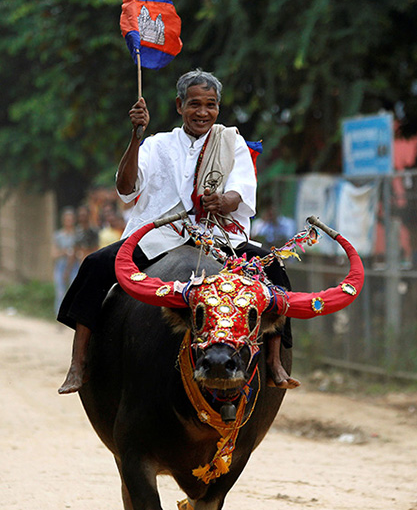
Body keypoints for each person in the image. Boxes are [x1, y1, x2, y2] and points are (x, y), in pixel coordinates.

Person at [57, 69, 298, 394]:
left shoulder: (232, 143)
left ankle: (274, 360)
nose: (203, 112)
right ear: (179, 105)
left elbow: (240, 192)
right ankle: (78, 361)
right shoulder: (156, 145)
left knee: (274, 271)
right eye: (194, 104)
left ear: (218, 108)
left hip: (218, 238)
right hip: (159, 235)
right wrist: (135, 136)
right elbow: (126, 187)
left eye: (210, 105)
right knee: (96, 266)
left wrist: (222, 201)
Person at [51, 207, 78, 316]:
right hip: (61, 265)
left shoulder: (77, 235)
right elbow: (53, 254)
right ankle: (60, 316)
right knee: (60, 292)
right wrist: (66, 252)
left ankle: (72, 317)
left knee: (74, 292)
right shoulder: (58, 235)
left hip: (74, 266)